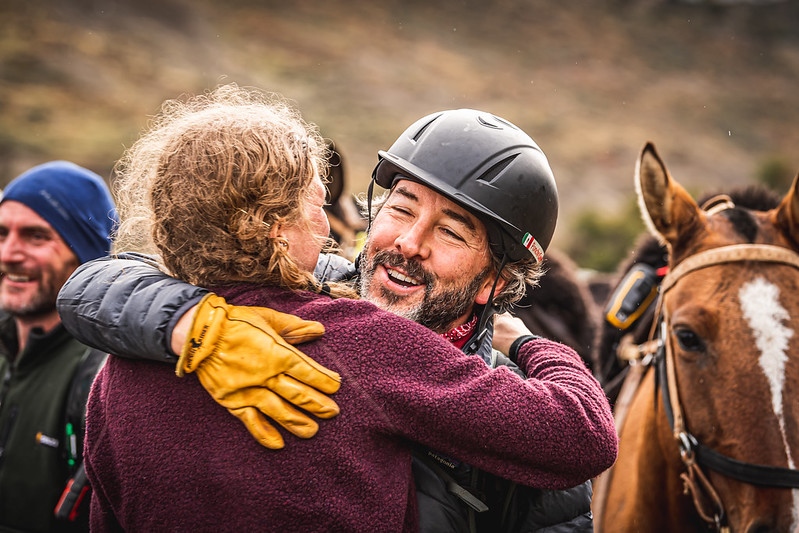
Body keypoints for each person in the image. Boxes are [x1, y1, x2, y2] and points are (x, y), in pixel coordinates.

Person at [69, 84, 616, 532]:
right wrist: (525, 342)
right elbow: (588, 433)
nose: (407, 242)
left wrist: (186, 325)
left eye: (449, 231)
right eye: (400, 208)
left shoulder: (116, 376)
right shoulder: (358, 338)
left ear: (494, 283)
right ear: (271, 228)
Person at [0, 161, 117, 532]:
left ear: (84, 257)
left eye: (36, 237)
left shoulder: (105, 377)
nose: (9, 254)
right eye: (1, 234)